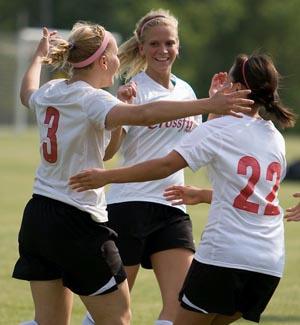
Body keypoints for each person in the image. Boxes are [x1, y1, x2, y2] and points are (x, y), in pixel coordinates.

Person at [13, 21, 253, 325]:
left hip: (37, 216)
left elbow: (26, 92)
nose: (119, 60)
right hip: (77, 220)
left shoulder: (52, 89)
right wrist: (210, 103)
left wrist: (37, 57)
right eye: (115, 55)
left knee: (49, 322)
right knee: (118, 318)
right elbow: (144, 114)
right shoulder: (92, 99)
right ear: (102, 61)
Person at [69, 53, 296, 325]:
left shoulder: (219, 130)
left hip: (224, 256)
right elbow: (252, 195)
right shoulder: (275, 137)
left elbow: (165, 166)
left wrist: (107, 177)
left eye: (229, 80)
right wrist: (201, 195)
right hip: (268, 264)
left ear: (236, 89)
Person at [82, 8, 218, 325]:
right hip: (129, 206)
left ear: (178, 46)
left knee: (183, 305)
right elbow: (108, 154)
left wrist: (213, 107)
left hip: (172, 207)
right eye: (154, 44)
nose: (162, 50)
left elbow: (198, 147)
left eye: (169, 43)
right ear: (141, 48)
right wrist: (121, 111)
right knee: (111, 312)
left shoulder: (187, 92)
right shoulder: (133, 90)